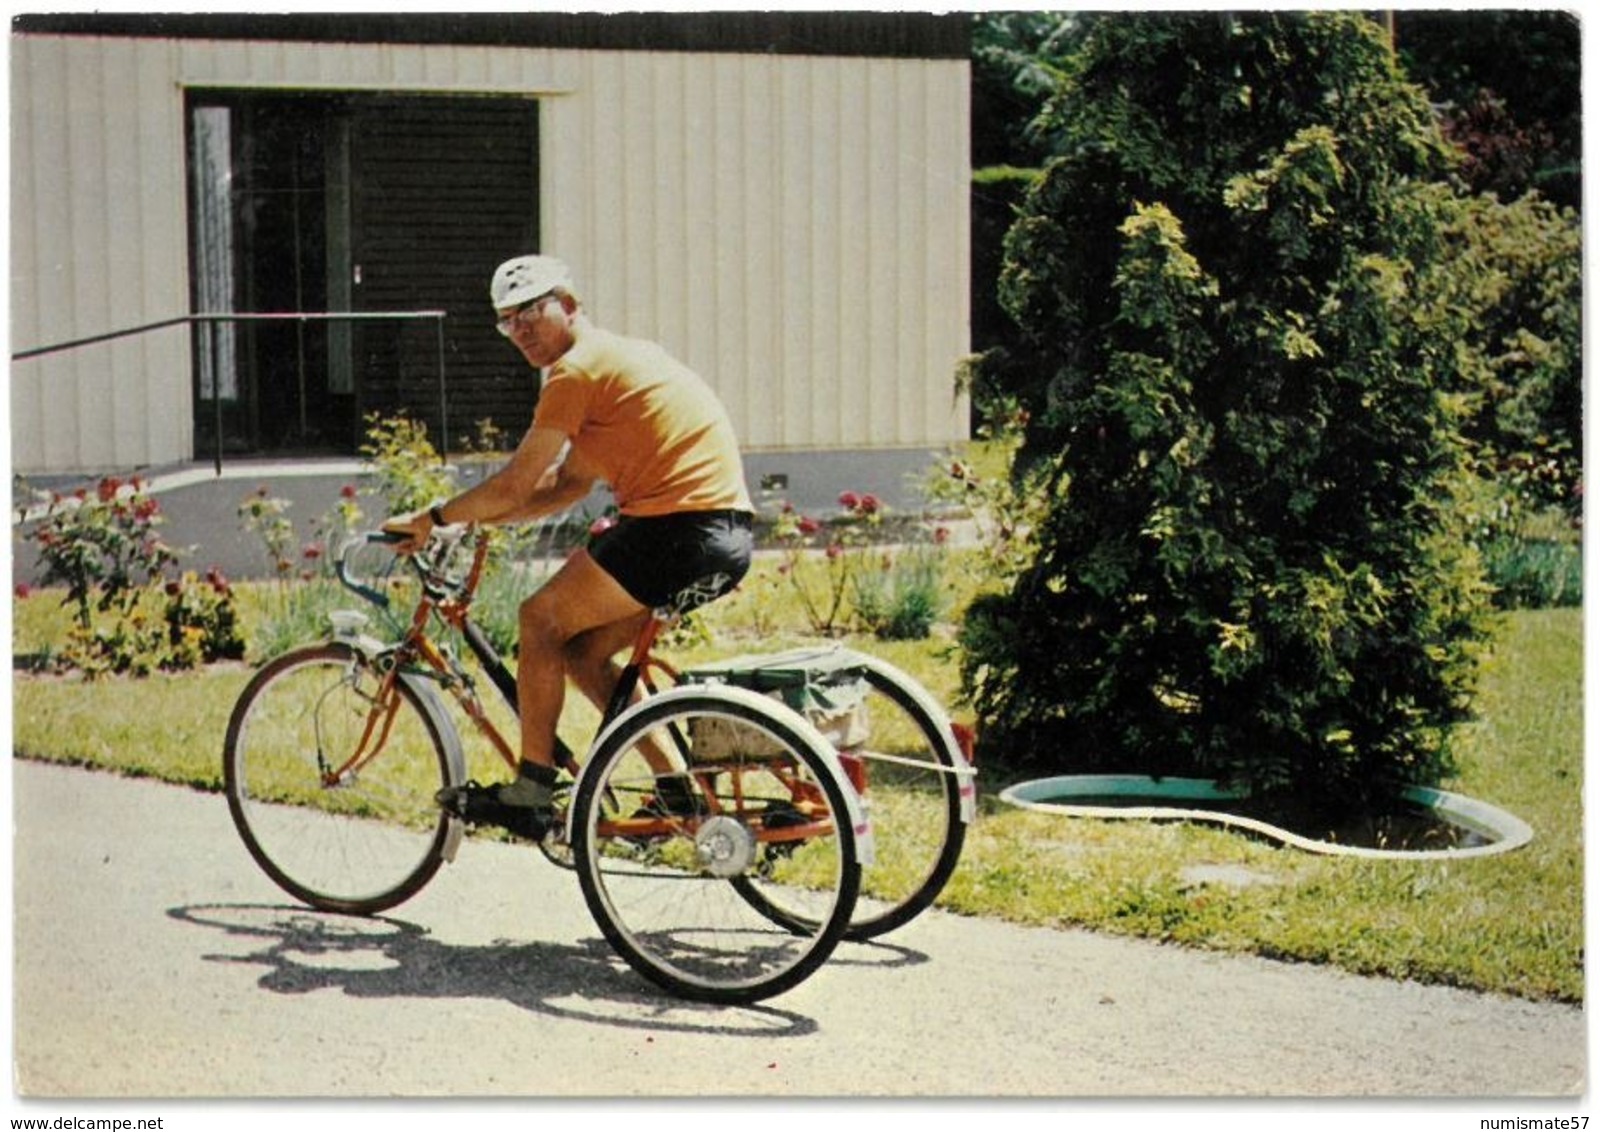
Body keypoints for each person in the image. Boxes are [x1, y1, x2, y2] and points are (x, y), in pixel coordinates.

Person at [384, 254, 755, 837]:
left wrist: (432, 517)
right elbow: (567, 483)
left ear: (572, 304)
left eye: (533, 311)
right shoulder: (620, 359)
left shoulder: (575, 372)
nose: (522, 331)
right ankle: (677, 790)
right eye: (509, 321)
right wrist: (474, 521)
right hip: (723, 536)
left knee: (539, 620)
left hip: (673, 529)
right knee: (581, 652)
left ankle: (530, 791)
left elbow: (515, 483)